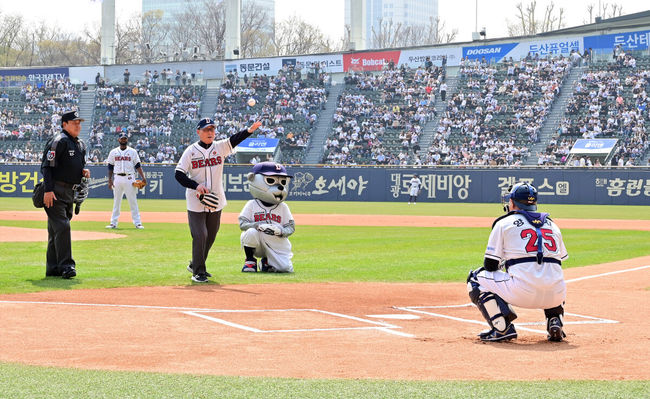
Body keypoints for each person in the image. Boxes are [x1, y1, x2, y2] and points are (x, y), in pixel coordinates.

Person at [467, 183, 568, 342]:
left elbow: (490, 265)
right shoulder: (553, 225)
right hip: (556, 296)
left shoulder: (503, 223)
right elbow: (558, 260)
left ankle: (501, 327)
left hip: (521, 293)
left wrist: (506, 262)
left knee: (474, 278)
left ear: (512, 203)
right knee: (549, 272)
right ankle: (555, 321)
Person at [175, 118, 262, 283]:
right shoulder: (191, 151)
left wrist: (249, 130)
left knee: (211, 236)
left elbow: (235, 139)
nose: (210, 133)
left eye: (212, 130)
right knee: (200, 234)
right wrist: (195, 186)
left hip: (215, 200)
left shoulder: (220, 147)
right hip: (196, 200)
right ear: (198, 132)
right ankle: (199, 272)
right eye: (206, 129)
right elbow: (178, 174)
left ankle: (195, 264)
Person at [40, 110, 90, 279]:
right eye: (74, 122)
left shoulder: (80, 144)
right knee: (62, 226)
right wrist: (47, 190)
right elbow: (47, 166)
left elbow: (75, 166)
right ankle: (67, 266)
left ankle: (53, 267)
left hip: (70, 192)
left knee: (56, 230)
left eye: (79, 122)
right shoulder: (58, 141)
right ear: (64, 124)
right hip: (55, 190)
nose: (78, 125)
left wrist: (83, 172)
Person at [239, 162, 295, 273]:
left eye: (283, 182)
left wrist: (281, 231)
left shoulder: (283, 207)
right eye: (270, 181)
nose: (279, 186)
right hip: (256, 243)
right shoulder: (252, 204)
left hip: (274, 243)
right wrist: (257, 225)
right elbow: (242, 224)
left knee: (284, 269)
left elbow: (291, 228)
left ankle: (266, 262)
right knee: (250, 232)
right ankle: (250, 261)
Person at [106, 132, 146, 229]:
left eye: (125, 138)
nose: (123, 140)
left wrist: (143, 177)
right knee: (116, 201)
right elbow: (110, 167)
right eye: (121, 138)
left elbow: (137, 165)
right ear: (118, 140)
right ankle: (113, 223)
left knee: (133, 201)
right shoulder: (113, 152)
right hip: (117, 178)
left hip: (129, 178)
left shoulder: (132, 151)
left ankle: (137, 223)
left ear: (127, 140)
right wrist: (110, 180)